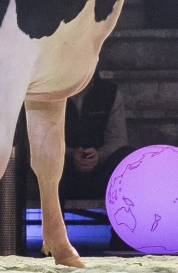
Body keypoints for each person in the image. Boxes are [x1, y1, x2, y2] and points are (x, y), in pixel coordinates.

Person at [55, 73, 130, 202]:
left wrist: (98, 156)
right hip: (63, 175)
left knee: (127, 154)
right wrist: (70, 154)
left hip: (99, 174)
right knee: (46, 161)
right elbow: (40, 142)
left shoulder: (110, 93)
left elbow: (118, 139)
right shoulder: (50, 92)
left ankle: (122, 217)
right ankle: (54, 220)